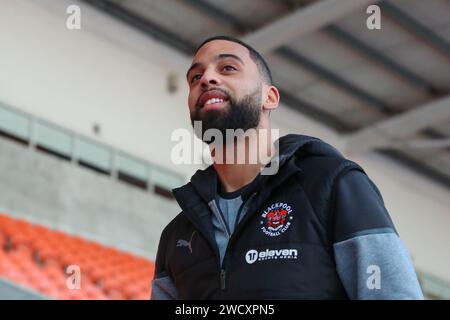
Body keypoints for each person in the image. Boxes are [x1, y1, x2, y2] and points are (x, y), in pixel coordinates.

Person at [150, 35, 424, 300]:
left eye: (228, 68)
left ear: (269, 97)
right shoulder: (177, 236)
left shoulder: (332, 184)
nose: (207, 79)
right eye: (195, 78)